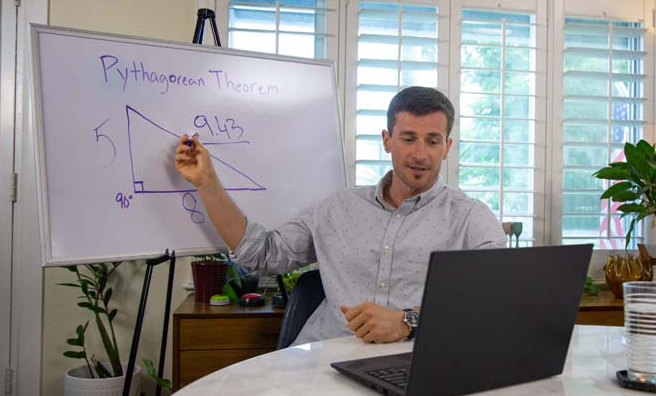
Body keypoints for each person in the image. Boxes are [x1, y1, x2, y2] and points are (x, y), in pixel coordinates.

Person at [175, 86, 505, 346]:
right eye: (408, 138)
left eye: (432, 141)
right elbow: (261, 255)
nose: (420, 153)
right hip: (320, 363)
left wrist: (408, 321)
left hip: (414, 365)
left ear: (446, 147)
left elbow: (493, 303)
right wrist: (207, 182)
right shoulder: (337, 208)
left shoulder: (472, 220)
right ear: (387, 141)